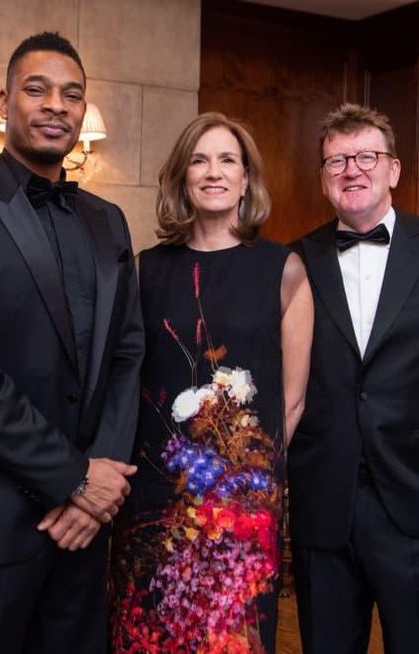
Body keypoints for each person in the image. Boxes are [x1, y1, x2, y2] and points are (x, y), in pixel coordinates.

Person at [0, 32, 143, 653]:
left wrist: (100, 488)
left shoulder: (109, 220)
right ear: (5, 100)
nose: (56, 105)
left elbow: (127, 355)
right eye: (37, 90)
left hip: (85, 527)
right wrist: (72, 477)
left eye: (72, 95)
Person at [289, 103, 419, 653]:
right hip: (325, 504)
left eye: (366, 157)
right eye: (337, 161)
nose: (352, 170)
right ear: (323, 178)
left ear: (394, 170)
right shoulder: (294, 261)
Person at [109, 112, 313, 653]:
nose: (213, 172)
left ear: (247, 179)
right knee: (149, 634)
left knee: (231, 640)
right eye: (199, 160)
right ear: (182, 179)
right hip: (153, 500)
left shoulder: (284, 269)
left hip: (241, 508)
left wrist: (244, 482)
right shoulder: (144, 270)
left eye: (227, 160)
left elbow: (291, 403)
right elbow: (124, 380)